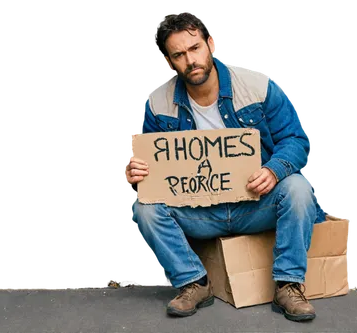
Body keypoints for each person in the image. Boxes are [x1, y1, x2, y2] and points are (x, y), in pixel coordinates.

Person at [125, 10, 326, 322]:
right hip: (201, 213)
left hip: (256, 204)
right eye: (179, 55)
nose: (190, 60)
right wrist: (136, 176)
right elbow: (154, 169)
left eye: (195, 49)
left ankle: (288, 285)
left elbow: (298, 141)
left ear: (211, 44)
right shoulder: (157, 104)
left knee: (299, 188)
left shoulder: (256, 85)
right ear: (169, 62)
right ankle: (193, 282)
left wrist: (274, 170)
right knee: (143, 206)